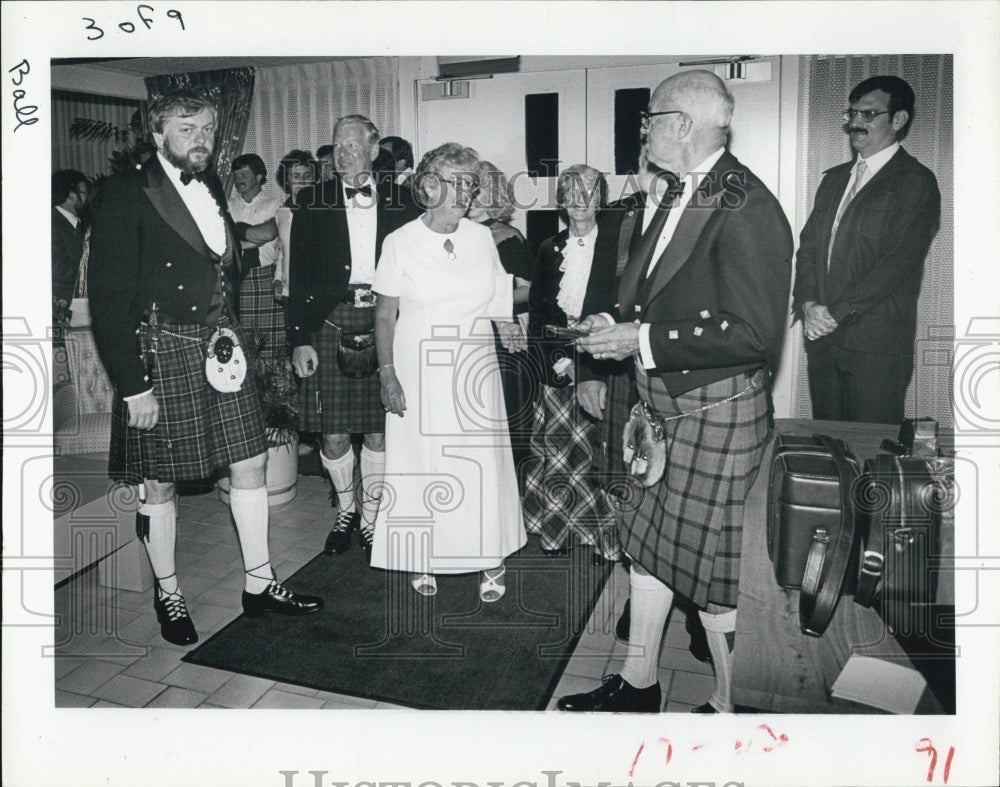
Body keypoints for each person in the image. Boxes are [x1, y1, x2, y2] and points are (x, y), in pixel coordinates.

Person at [557, 70, 793, 713]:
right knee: (647, 546)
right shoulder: (679, 192)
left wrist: (644, 341)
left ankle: (727, 709)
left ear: (682, 124)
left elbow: (752, 332)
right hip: (662, 409)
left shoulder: (747, 203)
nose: (645, 130)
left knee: (714, 577)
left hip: (713, 411)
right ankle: (639, 685)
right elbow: (649, 293)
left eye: (651, 118)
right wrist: (615, 322)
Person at [88, 89, 323, 647]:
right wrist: (133, 387)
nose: (201, 139)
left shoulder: (212, 184)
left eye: (208, 129)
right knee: (160, 482)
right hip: (161, 352)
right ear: (157, 133)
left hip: (220, 347)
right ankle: (168, 591)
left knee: (251, 463)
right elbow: (106, 299)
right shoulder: (126, 193)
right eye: (186, 128)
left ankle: (260, 584)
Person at [369, 142, 527, 600]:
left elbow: (497, 300)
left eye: (470, 185)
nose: (465, 193)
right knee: (423, 465)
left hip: (475, 369)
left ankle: (488, 556)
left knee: (479, 464)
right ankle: (424, 555)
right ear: (428, 184)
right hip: (419, 371)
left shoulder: (481, 238)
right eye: (456, 183)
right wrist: (387, 374)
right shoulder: (399, 242)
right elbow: (384, 316)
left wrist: (508, 325)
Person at [288, 115, 420, 559]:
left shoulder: (405, 201)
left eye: (352, 145)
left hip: (387, 323)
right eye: (336, 146)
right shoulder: (311, 200)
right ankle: (345, 510)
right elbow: (299, 275)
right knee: (334, 434)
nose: (343, 154)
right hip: (330, 320)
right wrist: (299, 338)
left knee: (379, 432)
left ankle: (371, 517)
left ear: (374, 147)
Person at [793, 75, 941, 424]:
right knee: (829, 445)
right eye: (852, 114)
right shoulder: (833, 179)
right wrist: (809, 304)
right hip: (824, 342)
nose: (856, 124)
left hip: (876, 346)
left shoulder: (916, 181)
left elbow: (897, 264)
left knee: (871, 451)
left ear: (898, 120)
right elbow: (808, 249)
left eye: (868, 115)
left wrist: (835, 314)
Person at [521, 164, 621, 562]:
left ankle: (605, 538)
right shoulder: (548, 248)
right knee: (561, 454)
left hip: (608, 364)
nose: (580, 201)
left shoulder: (618, 247)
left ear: (601, 199)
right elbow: (540, 314)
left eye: (590, 193)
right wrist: (560, 362)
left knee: (603, 454)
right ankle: (558, 530)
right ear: (562, 201)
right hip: (558, 366)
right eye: (572, 193)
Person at [466, 160, 536, 487]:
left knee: (507, 419)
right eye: (469, 192)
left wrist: (493, 300)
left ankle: (512, 495)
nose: (474, 201)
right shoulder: (453, 234)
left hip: (503, 340)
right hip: (464, 338)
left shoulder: (507, 236)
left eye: (481, 193)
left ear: (494, 196)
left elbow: (530, 291)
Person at [228, 154, 286, 360]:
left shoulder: (275, 204)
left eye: (244, 174)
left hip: (263, 280)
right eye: (236, 175)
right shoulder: (227, 206)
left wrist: (235, 234)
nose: (238, 179)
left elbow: (268, 234)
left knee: (269, 343)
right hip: (233, 278)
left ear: (260, 176)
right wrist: (249, 239)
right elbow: (221, 242)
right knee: (238, 341)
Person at [52, 169, 91, 325]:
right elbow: (55, 268)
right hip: (64, 306)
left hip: (79, 304)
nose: (87, 198)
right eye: (84, 193)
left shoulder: (78, 222)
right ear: (70, 195)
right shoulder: (52, 223)